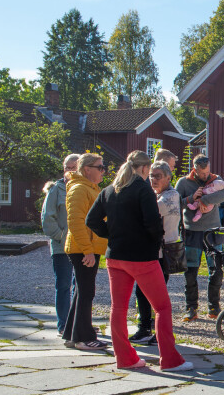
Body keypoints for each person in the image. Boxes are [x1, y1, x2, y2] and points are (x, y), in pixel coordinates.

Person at [86, 151, 192, 372]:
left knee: (118, 308)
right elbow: (154, 224)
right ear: (144, 169)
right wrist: (154, 243)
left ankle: (125, 359)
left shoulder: (109, 190)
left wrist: (113, 235)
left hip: (115, 257)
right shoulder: (143, 189)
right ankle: (170, 360)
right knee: (162, 307)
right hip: (142, 257)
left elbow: (91, 220)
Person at [129, 161, 180, 345]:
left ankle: (159, 331)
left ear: (168, 177)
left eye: (158, 176)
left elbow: (149, 211)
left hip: (162, 253)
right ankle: (145, 327)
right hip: (150, 251)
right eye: (151, 175)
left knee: (157, 294)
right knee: (141, 291)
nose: (153, 179)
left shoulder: (171, 196)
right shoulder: (153, 195)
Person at [175, 155, 224, 321]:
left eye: (207, 172)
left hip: (213, 230)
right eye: (202, 173)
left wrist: (204, 199)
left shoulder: (216, 179)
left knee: (216, 269)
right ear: (195, 169)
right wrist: (192, 199)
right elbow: (176, 202)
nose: (206, 175)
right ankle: (191, 307)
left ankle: (214, 306)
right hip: (192, 231)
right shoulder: (183, 182)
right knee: (191, 269)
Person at [62, 153, 108, 350]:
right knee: (87, 291)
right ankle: (83, 337)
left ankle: (72, 334)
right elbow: (76, 223)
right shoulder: (80, 189)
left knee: (83, 291)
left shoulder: (90, 188)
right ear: (87, 169)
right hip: (82, 249)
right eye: (100, 167)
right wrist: (87, 250)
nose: (103, 171)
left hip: (88, 248)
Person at [41, 153, 80, 335]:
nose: (71, 171)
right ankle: (63, 324)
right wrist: (61, 237)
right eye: (69, 168)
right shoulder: (56, 190)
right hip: (61, 247)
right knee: (63, 286)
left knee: (80, 287)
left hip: (80, 246)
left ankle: (78, 323)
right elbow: (47, 218)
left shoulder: (82, 188)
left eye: (75, 167)